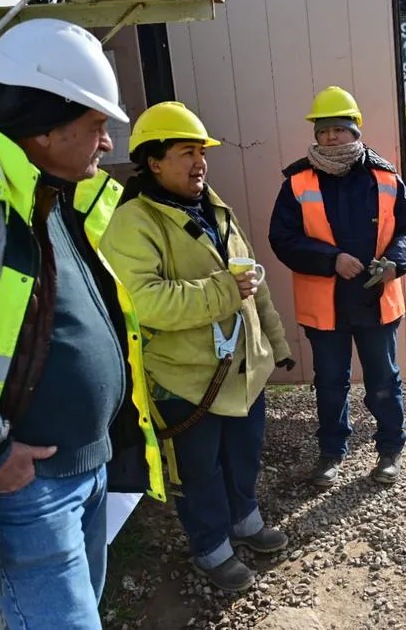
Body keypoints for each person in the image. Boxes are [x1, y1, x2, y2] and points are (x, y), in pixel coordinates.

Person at [0, 18, 165, 629]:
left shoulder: (50, 199)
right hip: (28, 490)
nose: (106, 145)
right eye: (97, 127)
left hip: (80, 474)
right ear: (45, 128)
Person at [99, 101, 293, 592]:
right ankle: (211, 547)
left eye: (201, 152)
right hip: (184, 379)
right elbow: (145, 303)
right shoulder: (134, 222)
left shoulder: (214, 208)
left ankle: (245, 519)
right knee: (198, 470)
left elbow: (255, 282)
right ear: (154, 161)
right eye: (186, 152)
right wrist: (223, 291)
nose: (199, 163)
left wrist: (276, 341)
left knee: (244, 454)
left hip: (242, 373)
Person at [268, 86, 406, 488]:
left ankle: (390, 450)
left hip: (377, 302)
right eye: (325, 130)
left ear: (356, 131)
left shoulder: (385, 177)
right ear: (316, 135)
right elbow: (282, 238)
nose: (332, 137)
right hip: (327, 306)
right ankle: (331, 454)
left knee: (384, 381)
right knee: (330, 383)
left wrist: (396, 262)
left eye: (341, 129)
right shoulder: (297, 183)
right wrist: (331, 259)